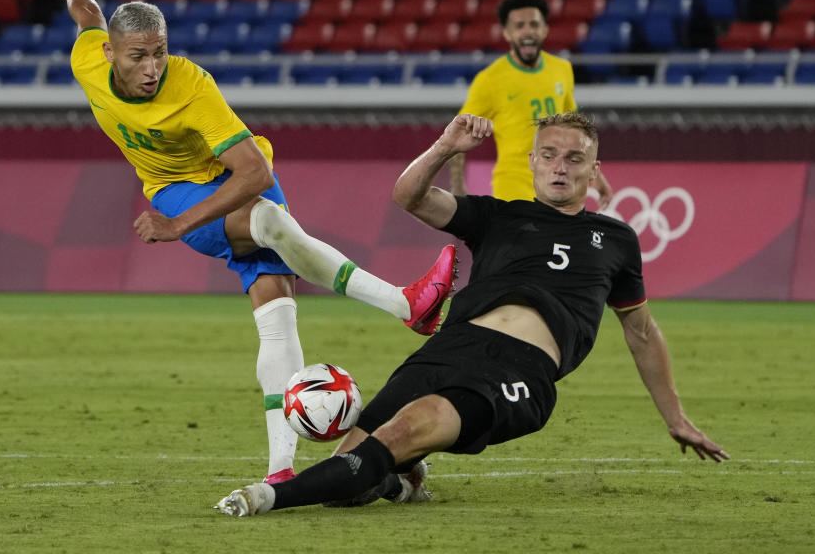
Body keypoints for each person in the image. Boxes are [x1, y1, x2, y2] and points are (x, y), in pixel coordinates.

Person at [45, 0, 457, 485]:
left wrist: (179, 228)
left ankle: (280, 472)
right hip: (175, 191)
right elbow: (87, 16)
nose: (151, 68)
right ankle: (406, 303)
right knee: (270, 225)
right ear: (110, 55)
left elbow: (256, 173)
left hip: (236, 175)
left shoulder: (190, 86)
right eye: (138, 56)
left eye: (160, 53)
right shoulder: (87, 59)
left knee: (277, 311)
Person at [215, 111, 727, 517]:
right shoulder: (498, 215)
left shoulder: (617, 240)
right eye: (549, 155)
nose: (560, 167)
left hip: (518, 372)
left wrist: (675, 417)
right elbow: (407, 197)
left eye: (575, 159)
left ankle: (265, 499)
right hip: (447, 349)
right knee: (347, 477)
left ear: (594, 172)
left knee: (399, 433)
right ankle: (402, 485)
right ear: (531, 160)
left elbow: (640, 330)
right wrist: (445, 147)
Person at [449, 0, 613, 209]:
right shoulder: (490, 80)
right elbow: (458, 133)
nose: (528, 31)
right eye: (519, 26)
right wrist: (458, 187)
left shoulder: (562, 70)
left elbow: (577, 132)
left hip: (557, 185)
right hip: (513, 188)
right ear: (507, 33)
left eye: (534, 25)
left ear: (545, 29)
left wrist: (598, 178)